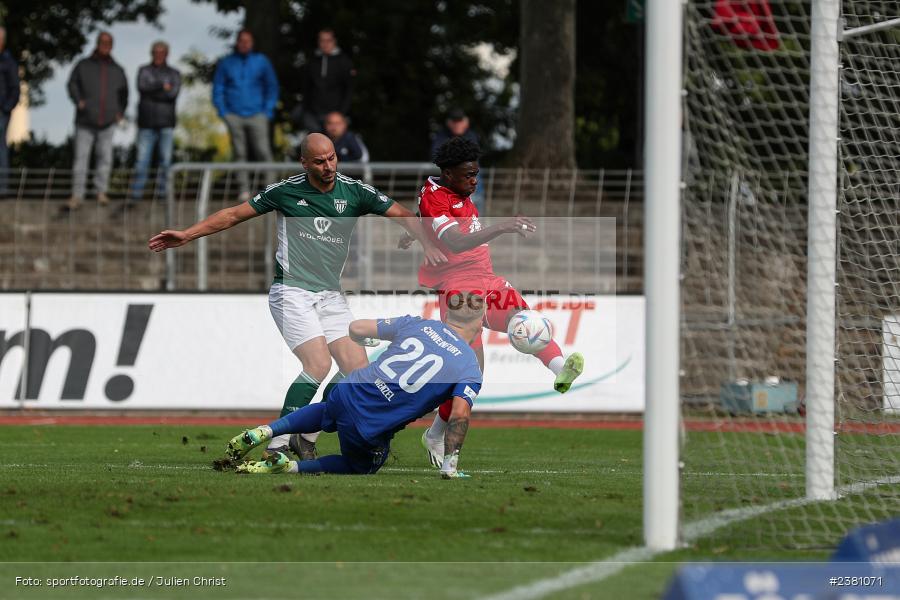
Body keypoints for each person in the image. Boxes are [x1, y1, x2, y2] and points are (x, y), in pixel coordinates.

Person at [148, 133, 446, 460]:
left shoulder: (355, 191)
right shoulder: (286, 191)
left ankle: (306, 435)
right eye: (319, 161)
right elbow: (233, 214)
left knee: (357, 369)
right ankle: (275, 445)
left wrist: (421, 239)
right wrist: (187, 235)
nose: (328, 166)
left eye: (332, 158)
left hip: (330, 295)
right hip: (291, 290)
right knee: (317, 364)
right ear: (304, 163)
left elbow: (404, 214)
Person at [399, 136, 584, 467]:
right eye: (468, 175)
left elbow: (423, 215)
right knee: (471, 373)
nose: (474, 181)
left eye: (477, 174)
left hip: (485, 277)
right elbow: (454, 242)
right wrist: (502, 227)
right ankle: (435, 433)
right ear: (448, 172)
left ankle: (560, 368)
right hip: (458, 288)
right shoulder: (437, 199)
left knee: (522, 319)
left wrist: (414, 231)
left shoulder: (451, 192)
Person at [225, 293, 484, 478]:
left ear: (447, 313)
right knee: (362, 466)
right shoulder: (469, 367)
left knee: (328, 410)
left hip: (348, 391)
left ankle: (265, 431)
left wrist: (363, 339)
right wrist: (449, 465)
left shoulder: (417, 324)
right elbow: (459, 414)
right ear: (480, 322)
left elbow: (356, 327)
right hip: (369, 424)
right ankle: (287, 467)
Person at [212, 29, 279, 202]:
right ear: (237, 42)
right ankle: (243, 190)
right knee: (239, 153)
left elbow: (271, 86)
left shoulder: (261, 61)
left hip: (258, 114)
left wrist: (267, 111)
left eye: (248, 41)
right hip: (234, 115)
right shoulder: (227, 63)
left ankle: (270, 189)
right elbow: (218, 88)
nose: (244, 44)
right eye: (241, 40)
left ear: (252, 43)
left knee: (263, 151)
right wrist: (223, 112)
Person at [65, 31, 127, 210]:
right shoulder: (83, 65)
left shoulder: (118, 69)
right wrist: (79, 101)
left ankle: (101, 192)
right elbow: (72, 84)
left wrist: (119, 112)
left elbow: (124, 94)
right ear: (97, 43)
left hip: (108, 121)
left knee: (105, 158)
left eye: (109, 43)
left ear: (112, 46)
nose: (105, 45)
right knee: (81, 158)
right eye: (102, 42)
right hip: (85, 121)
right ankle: (77, 195)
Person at [129, 41, 181, 203]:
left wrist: (153, 89)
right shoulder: (143, 70)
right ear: (151, 53)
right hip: (146, 122)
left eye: (162, 52)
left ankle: (162, 194)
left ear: (166, 54)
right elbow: (142, 88)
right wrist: (161, 86)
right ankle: (136, 195)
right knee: (141, 160)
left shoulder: (174, 73)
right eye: (155, 52)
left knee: (165, 160)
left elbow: (172, 94)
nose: (158, 55)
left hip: (166, 122)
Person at [300, 29, 354, 133]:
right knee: (316, 144)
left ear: (334, 41)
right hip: (314, 114)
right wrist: (306, 109)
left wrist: (341, 113)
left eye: (328, 40)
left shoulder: (344, 62)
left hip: (336, 115)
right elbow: (306, 87)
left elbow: (348, 89)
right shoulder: (312, 61)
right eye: (322, 40)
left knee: (334, 146)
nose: (325, 44)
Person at [430, 108, 484, 210]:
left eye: (460, 121)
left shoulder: (471, 135)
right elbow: (435, 155)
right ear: (449, 122)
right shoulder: (440, 136)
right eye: (454, 121)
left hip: (471, 189)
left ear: (466, 122)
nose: (457, 124)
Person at [0, 27, 20, 198]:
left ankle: (2, 189)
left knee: (0, 149)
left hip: (1, 113)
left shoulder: (9, 63)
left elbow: (15, 90)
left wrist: (5, 108)